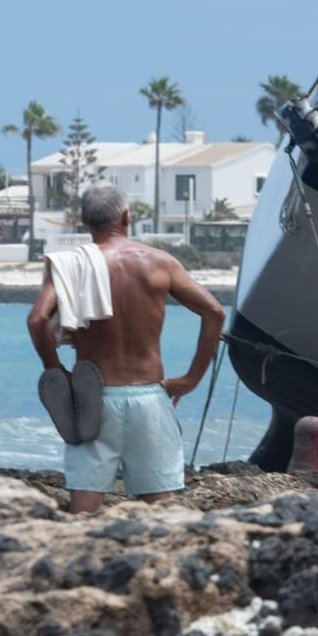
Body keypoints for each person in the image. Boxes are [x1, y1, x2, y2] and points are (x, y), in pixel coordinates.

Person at [27, 184, 224, 512]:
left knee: (84, 510)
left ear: (85, 222)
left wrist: (56, 370)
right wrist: (191, 379)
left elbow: (37, 321)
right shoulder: (160, 263)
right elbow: (214, 312)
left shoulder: (69, 264)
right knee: (161, 510)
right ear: (126, 217)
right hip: (149, 397)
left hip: (93, 397)